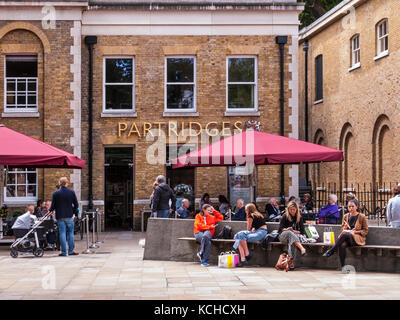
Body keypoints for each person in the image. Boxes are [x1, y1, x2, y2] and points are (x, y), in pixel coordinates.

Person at [323, 199, 368, 273]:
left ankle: (332, 250)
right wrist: (346, 227)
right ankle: (343, 267)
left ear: (357, 207)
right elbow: (342, 229)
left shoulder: (362, 216)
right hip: (347, 238)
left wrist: (355, 231)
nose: (350, 208)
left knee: (345, 234)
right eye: (349, 207)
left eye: (352, 206)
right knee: (342, 245)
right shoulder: (345, 216)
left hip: (357, 239)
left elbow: (365, 231)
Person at [49, 177, 79, 257]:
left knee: (62, 233)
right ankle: (71, 251)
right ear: (67, 183)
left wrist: (50, 210)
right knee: (70, 233)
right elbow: (76, 205)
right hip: (69, 215)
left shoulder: (55, 193)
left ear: (59, 183)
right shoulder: (71, 192)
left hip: (60, 216)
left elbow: (52, 207)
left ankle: (64, 252)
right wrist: (72, 211)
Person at [278, 201, 307, 269]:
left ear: (296, 209)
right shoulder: (285, 216)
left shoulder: (299, 217)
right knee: (290, 233)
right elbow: (280, 229)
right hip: (283, 236)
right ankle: (302, 248)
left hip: (293, 238)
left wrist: (293, 231)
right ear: (288, 209)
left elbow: (302, 231)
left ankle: (291, 262)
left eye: (294, 209)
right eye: (291, 209)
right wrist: (287, 229)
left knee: (292, 241)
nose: (292, 211)